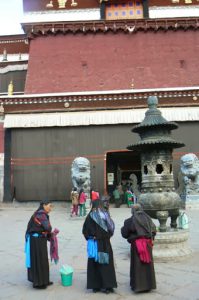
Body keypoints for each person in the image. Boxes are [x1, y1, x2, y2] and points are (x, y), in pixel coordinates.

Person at [82, 200, 117, 294]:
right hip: (104, 244)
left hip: (93, 244)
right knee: (105, 264)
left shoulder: (89, 216)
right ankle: (107, 286)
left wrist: (91, 237)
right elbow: (111, 229)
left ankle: (95, 286)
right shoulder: (104, 215)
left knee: (94, 264)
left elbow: (84, 231)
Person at [121, 203, 156, 293]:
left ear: (132, 211)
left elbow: (124, 234)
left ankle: (138, 286)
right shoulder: (148, 218)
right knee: (147, 265)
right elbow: (154, 230)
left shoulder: (129, 220)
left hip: (136, 245)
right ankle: (149, 285)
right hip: (147, 244)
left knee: (137, 265)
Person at [25, 199, 53, 289]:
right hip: (37, 241)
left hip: (39, 240)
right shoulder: (41, 214)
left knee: (43, 260)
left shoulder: (38, 213)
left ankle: (44, 281)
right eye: (49, 206)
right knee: (39, 260)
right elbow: (48, 227)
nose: (50, 208)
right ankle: (39, 283)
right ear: (44, 205)